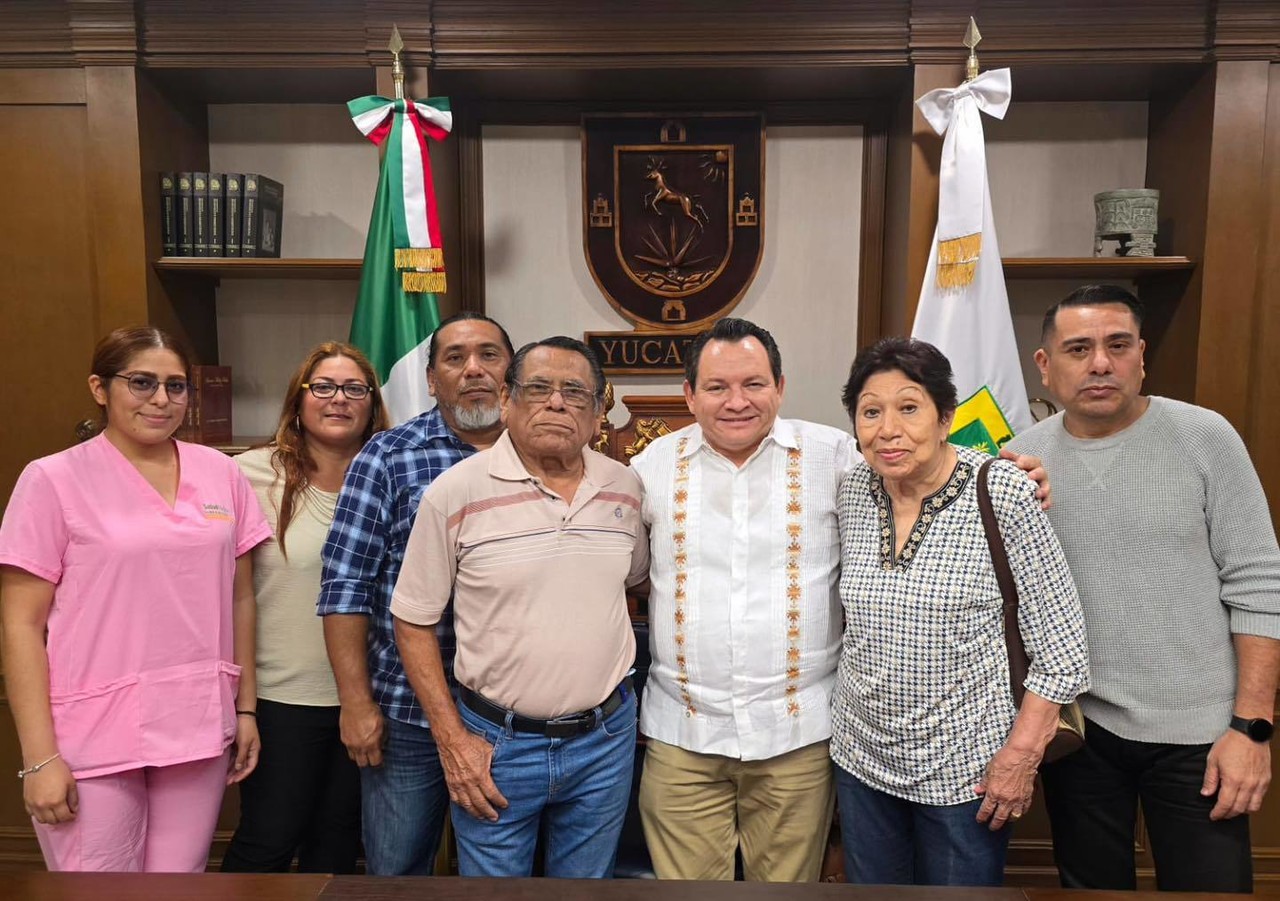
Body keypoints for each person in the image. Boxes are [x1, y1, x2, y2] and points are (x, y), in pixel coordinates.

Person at [630, 317, 1052, 882]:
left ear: (781, 387)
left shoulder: (839, 460)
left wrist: (1010, 474)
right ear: (689, 394)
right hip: (681, 736)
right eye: (716, 387)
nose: (737, 401)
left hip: (796, 738)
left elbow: (930, 468)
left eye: (754, 384)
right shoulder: (647, 468)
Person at [1006, 284, 1280, 893]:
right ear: (1046, 366)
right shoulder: (1019, 462)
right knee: (1092, 890)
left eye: (1117, 345)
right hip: (1081, 729)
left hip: (1200, 732)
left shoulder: (1206, 437)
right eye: (1079, 348)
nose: (1100, 363)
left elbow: (1259, 584)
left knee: (1210, 890)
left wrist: (1252, 728)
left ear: (1141, 356)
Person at [0, 326, 271, 872]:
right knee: (98, 886)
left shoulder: (221, 472)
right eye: (141, 382)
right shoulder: (52, 480)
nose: (161, 400)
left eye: (176, 386)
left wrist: (245, 707)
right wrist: (38, 758)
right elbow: (20, 627)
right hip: (89, 733)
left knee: (179, 882)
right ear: (100, 389)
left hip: (196, 719)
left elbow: (240, 597)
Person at [832, 335, 1089, 886]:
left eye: (908, 407)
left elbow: (1063, 652)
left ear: (946, 417)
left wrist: (1019, 756)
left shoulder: (1001, 490)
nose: (888, 429)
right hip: (861, 757)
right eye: (870, 412)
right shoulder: (854, 489)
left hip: (966, 771)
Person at [391, 336, 648, 878]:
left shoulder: (625, 487)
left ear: (600, 411)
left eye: (576, 393)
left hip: (604, 741)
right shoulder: (453, 492)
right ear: (506, 400)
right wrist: (452, 740)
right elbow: (412, 620)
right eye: (538, 389)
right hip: (494, 745)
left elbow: (632, 581)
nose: (557, 403)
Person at [317, 311, 514, 875]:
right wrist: (355, 703)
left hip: (511, 716)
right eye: (455, 357)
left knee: (506, 875)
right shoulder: (385, 457)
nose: (473, 369)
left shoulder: (544, 454)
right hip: (407, 715)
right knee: (398, 872)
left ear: (512, 372)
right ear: (431, 379)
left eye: (489, 355)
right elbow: (345, 586)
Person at [221, 343, 390, 873]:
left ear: (371, 403)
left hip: (368, 699)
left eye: (354, 389)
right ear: (298, 400)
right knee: (268, 841)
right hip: (280, 698)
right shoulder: (247, 476)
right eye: (323, 387)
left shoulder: (391, 476)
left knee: (338, 847)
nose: (338, 399)